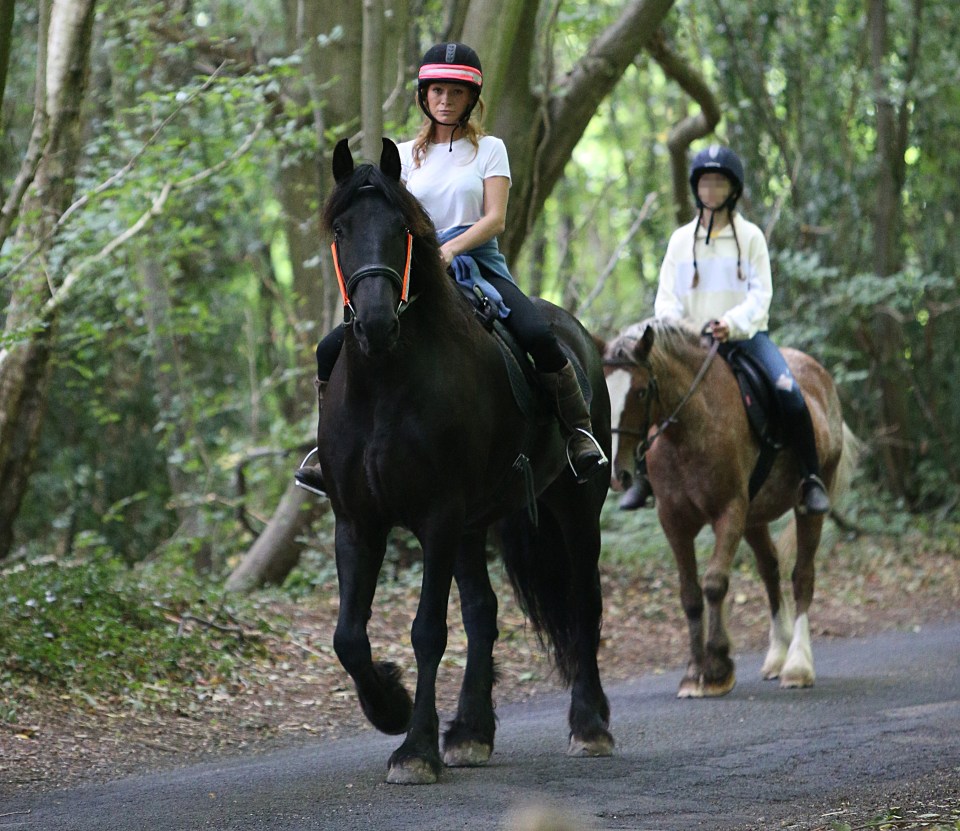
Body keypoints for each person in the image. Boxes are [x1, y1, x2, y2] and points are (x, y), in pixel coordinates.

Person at [295, 42, 607, 496]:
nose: (445, 99)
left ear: (470, 100)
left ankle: (578, 434)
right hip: (418, 271)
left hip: (478, 262)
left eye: (455, 92)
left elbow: (495, 219)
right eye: (437, 90)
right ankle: (329, 453)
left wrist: (451, 248)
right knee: (330, 348)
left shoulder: (489, 150)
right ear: (424, 97)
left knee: (538, 334)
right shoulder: (401, 157)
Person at [618, 144, 831, 515]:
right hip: (689, 344)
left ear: (732, 189)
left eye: (718, 183)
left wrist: (729, 324)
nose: (710, 190)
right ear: (695, 188)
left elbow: (760, 294)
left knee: (790, 393)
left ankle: (811, 478)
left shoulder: (750, 238)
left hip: (744, 339)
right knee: (649, 392)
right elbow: (666, 299)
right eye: (704, 183)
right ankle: (643, 477)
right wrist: (686, 330)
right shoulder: (680, 241)